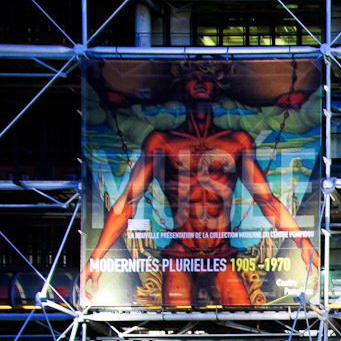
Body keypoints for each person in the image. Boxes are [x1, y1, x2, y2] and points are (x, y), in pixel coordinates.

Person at [83, 61, 318, 306]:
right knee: (174, 333)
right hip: (181, 254)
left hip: (221, 255)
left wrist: (302, 240)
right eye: (193, 77)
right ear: (182, 88)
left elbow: (267, 201)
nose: (200, 82)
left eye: (207, 78)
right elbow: (127, 203)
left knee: (247, 323)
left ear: (216, 88)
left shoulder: (236, 141)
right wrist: (97, 257)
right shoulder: (162, 142)